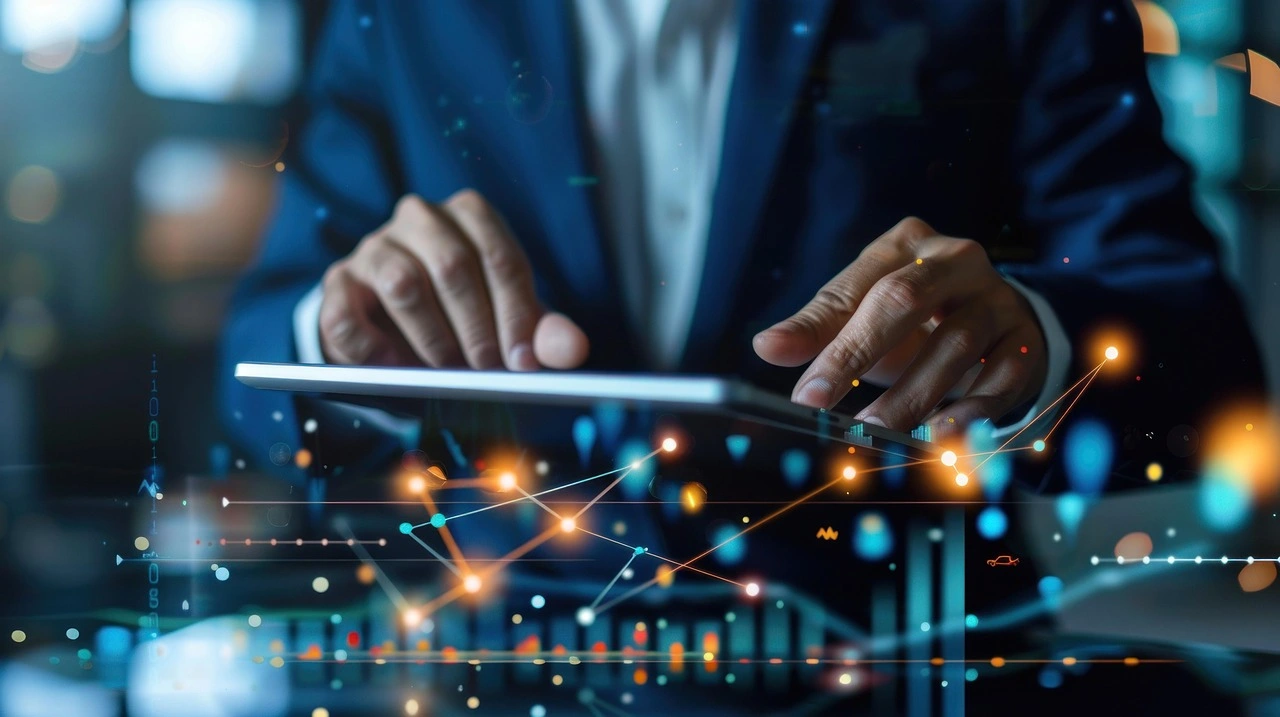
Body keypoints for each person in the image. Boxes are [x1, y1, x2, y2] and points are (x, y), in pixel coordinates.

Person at [221, 0, 1264, 471]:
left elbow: (1207, 369)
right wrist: (342, 330)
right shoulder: (395, 13)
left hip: (896, 653)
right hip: (506, 658)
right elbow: (243, 374)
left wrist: (1029, 339)